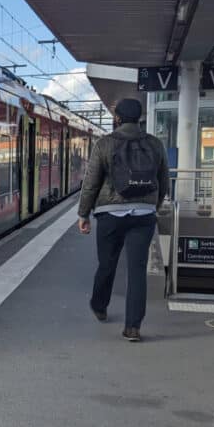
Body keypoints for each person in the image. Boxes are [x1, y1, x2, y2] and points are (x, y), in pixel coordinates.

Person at [77, 98, 169, 342]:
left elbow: (91, 183)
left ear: (117, 118)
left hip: (110, 213)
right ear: (140, 117)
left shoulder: (104, 144)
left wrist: (83, 214)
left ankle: (99, 306)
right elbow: (164, 182)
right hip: (143, 215)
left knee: (107, 264)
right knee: (137, 270)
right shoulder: (155, 144)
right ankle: (133, 327)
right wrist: (152, 207)